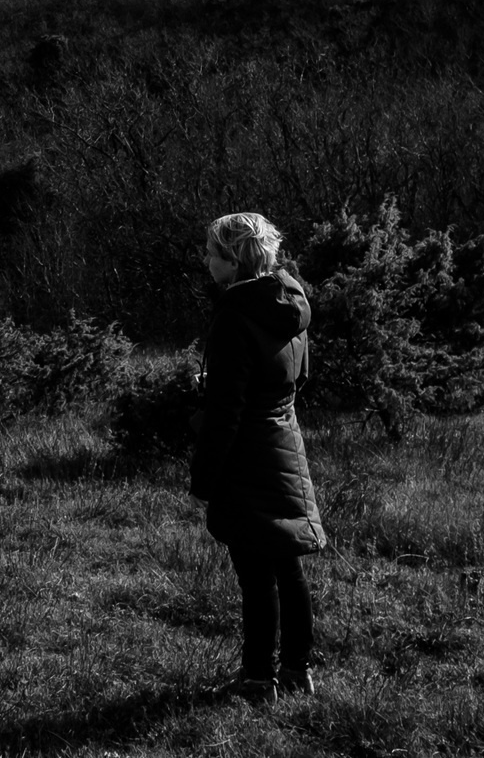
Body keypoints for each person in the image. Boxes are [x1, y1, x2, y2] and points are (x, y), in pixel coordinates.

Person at [189, 210, 326, 701]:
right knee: (287, 566)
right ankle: (297, 671)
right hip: (284, 443)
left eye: (212, 254)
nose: (207, 261)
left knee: (255, 575)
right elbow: (296, 376)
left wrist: (204, 480)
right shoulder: (290, 301)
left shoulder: (234, 315)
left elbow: (226, 413)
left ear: (234, 260)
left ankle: (256, 679)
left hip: (247, 456)